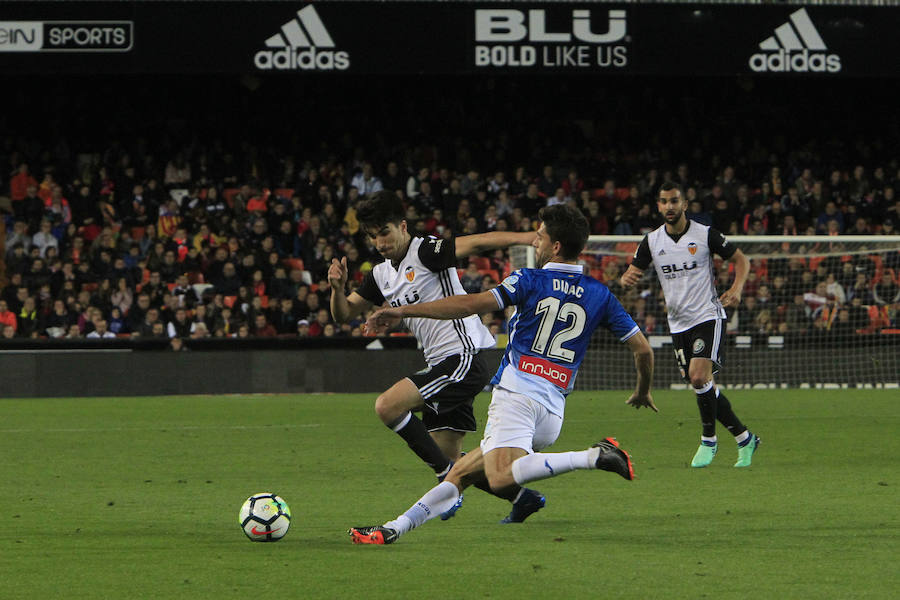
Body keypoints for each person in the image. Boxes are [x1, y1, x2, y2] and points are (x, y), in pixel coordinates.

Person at [349, 204, 656, 545]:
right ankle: (393, 529)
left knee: (498, 477)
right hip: (553, 411)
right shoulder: (601, 294)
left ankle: (594, 455)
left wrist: (403, 310)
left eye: (540, 238)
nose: (535, 243)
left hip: (517, 395)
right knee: (460, 472)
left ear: (554, 246)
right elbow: (643, 349)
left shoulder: (528, 279)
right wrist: (643, 390)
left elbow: (469, 304)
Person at [329, 190, 544, 522]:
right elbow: (343, 315)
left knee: (388, 406)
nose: (380, 242)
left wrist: (530, 237)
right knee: (453, 460)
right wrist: (336, 289)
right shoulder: (381, 275)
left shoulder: (426, 250)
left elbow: (477, 243)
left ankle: (445, 479)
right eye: (373, 236)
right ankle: (522, 497)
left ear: (402, 226)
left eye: (385, 232)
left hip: (465, 356)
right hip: (444, 363)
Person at [620, 182, 760, 468]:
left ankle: (708, 440)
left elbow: (741, 259)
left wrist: (737, 288)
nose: (669, 207)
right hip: (678, 324)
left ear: (684, 205)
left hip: (707, 314)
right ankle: (745, 438)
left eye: (674, 201)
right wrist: (627, 278)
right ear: (658, 206)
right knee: (704, 386)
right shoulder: (651, 241)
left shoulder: (705, 235)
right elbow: (633, 271)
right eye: (663, 202)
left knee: (698, 377)